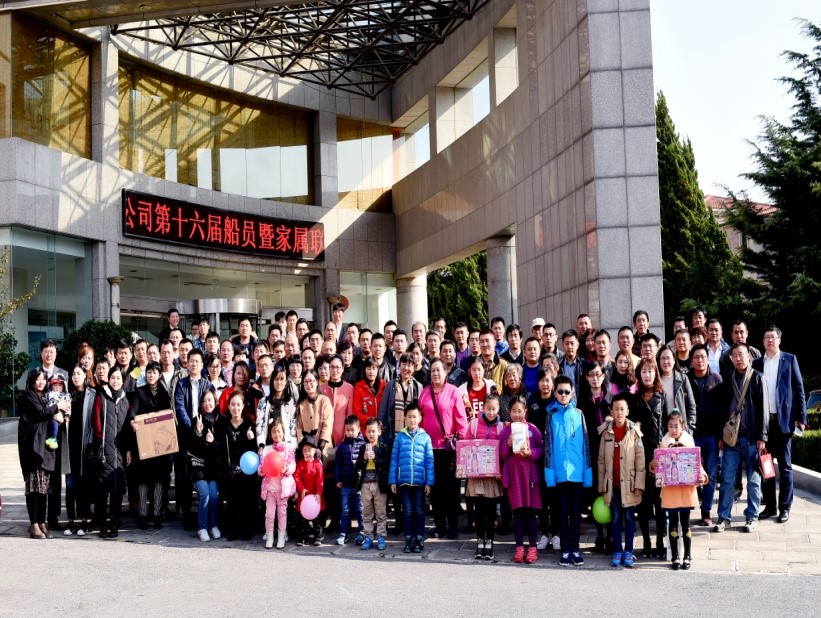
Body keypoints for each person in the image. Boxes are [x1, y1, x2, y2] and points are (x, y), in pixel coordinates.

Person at [714, 343, 770, 533]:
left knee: (754, 480)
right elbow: (722, 410)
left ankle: (752, 517)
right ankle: (724, 517)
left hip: (752, 438)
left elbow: (763, 410)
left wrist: (762, 436)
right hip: (732, 439)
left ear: (749, 356)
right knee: (727, 480)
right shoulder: (728, 380)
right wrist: (721, 435)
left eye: (741, 354)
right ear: (731, 358)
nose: (738, 358)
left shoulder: (758, 378)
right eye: (735, 355)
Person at [753, 325, 806, 523]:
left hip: (783, 422)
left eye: (773, 337)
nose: (769, 340)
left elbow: (799, 390)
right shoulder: (757, 363)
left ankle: (785, 507)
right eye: (766, 337)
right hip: (764, 424)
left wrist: (801, 418)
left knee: (785, 467)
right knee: (766, 466)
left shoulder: (789, 360)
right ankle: (770, 506)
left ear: (779, 340)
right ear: (763, 341)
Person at [544, 375, 593, 566]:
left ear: (572, 393)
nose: (563, 395)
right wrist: (549, 474)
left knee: (575, 514)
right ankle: (565, 550)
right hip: (559, 474)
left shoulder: (579, 414)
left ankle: (575, 549)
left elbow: (585, 445)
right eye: (560, 391)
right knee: (561, 513)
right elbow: (548, 446)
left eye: (567, 391)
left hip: (577, 474)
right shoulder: (551, 416)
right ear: (555, 393)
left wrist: (587, 474)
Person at [649, 410, 707, 570]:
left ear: (682, 426)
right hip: (670, 491)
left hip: (686, 490)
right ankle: (675, 556)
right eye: (670, 426)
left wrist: (703, 476)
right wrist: (653, 465)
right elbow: (658, 465)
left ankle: (687, 555)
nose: (673, 429)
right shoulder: (663, 443)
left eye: (676, 426)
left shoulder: (689, 442)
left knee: (686, 524)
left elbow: (697, 463)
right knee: (673, 524)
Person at [418, 358, 468, 539]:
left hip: (449, 449)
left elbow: (461, 420)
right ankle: (439, 525)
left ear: (445, 372)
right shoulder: (424, 393)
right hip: (429, 449)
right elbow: (420, 421)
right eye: (432, 370)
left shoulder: (453, 391)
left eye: (439, 370)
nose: (436, 373)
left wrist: (461, 444)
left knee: (452, 490)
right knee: (435, 490)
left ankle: (453, 525)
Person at [18, 368, 67, 539]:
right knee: (33, 488)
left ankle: (41, 522)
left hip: (43, 449)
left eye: (43, 379)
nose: (41, 382)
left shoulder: (45, 397)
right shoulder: (29, 396)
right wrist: (57, 407)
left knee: (43, 489)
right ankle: (33, 525)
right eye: (37, 379)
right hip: (32, 450)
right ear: (32, 381)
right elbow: (40, 413)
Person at [597, 394, 645, 568]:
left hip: (629, 485)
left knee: (629, 518)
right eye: (616, 409)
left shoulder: (634, 432)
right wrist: (602, 485)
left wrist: (639, 485)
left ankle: (629, 551)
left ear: (627, 411)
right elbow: (601, 461)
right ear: (611, 411)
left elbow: (640, 460)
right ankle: (617, 550)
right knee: (615, 518)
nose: (619, 412)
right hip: (613, 485)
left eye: (622, 409)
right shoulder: (606, 432)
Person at [499, 397, 545, 564]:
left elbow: (541, 448)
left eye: (520, 411)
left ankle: (532, 547)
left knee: (530, 511)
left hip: (530, 476)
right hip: (515, 476)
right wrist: (508, 444)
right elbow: (501, 454)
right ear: (509, 412)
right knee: (517, 512)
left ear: (525, 411)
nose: (517, 414)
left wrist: (531, 453)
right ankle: (519, 547)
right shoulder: (506, 431)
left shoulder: (532, 429)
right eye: (514, 411)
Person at [632, 357, 670, 558]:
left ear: (656, 374)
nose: (647, 375)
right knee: (643, 502)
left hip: (659, 454)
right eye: (644, 371)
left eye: (650, 371)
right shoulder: (634, 398)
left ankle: (660, 542)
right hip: (640, 455)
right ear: (639, 375)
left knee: (660, 501)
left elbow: (667, 426)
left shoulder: (661, 397)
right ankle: (646, 542)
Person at [129, 361, 172, 530]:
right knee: (142, 480)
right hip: (143, 442)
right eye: (149, 372)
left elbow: (168, 415)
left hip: (160, 443)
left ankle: (157, 515)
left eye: (154, 372)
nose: (151, 375)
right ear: (145, 374)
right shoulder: (139, 391)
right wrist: (133, 421)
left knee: (159, 480)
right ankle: (142, 515)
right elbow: (133, 411)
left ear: (159, 375)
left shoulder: (164, 393)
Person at [576, 361, 612, 553]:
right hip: (591, 454)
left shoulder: (611, 399)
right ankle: (599, 536)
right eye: (592, 375)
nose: (595, 378)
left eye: (598, 374)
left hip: (610, 454)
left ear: (603, 376)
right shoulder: (581, 402)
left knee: (610, 494)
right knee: (595, 495)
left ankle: (611, 536)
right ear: (587, 377)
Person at [389, 403, 434, 554]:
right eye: (409, 417)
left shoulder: (425, 438)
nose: (412, 420)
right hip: (404, 482)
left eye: (415, 417)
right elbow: (394, 459)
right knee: (407, 511)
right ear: (405, 418)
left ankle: (419, 538)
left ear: (420, 418)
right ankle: (409, 539)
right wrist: (393, 480)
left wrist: (429, 482)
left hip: (420, 483)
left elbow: (429, 461)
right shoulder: (399, 437)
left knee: (419, 510)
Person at [92, 366, 131, 539]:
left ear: (123, 381)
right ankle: (102, 523)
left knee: (117, 488)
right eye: (113, 377)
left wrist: (128, 449)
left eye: (118, 378)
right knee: (102, 488)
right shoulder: (101, 396)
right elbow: (96, 419)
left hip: (120, 450)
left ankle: (115, 522)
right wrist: (102, 439)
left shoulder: (125, 401)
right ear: (108, 379)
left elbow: (128, 428)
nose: (115, 381)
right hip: (105, 449)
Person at [688, 344, 723, 526]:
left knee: (710, 474)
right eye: (696, 357)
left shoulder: (716, 379)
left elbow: (723, 408)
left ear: (707, 359)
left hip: (712, 436)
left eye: (703, 356)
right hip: (692, 435)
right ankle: (686, 509)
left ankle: (706, 511)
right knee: (689, 474)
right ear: (691, 360)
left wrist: (721, 435)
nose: (700, 360)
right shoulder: (686, 379)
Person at [466, 393, 504, 560]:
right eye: (488, 408)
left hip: (492, 477)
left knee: (491, 511)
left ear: (498, 409)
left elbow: (503, 451)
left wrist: (500, 470)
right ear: (483, 408)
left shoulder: (501, 427)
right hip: (477, 475)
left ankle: (490, 542)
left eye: (494, 409)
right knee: (479, 511)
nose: (491, 412)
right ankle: (480, 541)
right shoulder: (474, 424)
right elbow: (466, 445)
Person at [216, 391, 257, 541]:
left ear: (243, 406)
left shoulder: (249, 423)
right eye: (233, 404)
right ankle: (233, 529)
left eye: (238, 404)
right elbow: (219, 446)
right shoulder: (223, 423)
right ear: (228, 406)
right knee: (232, 500)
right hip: (230, 469)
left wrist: (251, 439)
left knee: (246, 499)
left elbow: (254, 449)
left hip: (246, 470)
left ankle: (246, 529)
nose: (235, 408)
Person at [189, 389, 222, 541]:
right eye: (204, 401)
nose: (207, 404)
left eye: (210, 400)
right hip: (198, 468)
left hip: (213, 469)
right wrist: (198, 432)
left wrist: (212, 442)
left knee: (214, 496)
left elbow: (222, 447)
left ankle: (213, 525)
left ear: (215, 401)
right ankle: (202, 528)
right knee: (205, 494)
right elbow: (192, 447)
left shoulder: (221, 420)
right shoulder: (196, 420)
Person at [259, 418, 296, 549]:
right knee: (269, 514)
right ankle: (269, 536)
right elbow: (260, 467)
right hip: (269, 489)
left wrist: (286, 469)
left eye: (279, 431)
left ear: (283, 432)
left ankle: (281, 536)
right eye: (274, 432)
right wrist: (262, 471)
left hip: (282, 490)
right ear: (270, 434)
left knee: (282, 514)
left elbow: (293, 466)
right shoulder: (266, 450)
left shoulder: (288, 449)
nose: (277, 434)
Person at [65, 365, 92, 536]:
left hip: (85, 447)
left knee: (84, 485)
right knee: (70, 485)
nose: (75, 377)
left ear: (85, 376)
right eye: (73, 374)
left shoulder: (92, 395)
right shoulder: (67, 396)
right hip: (70, 446)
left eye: (78, 374)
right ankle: (70, 520)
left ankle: (85, 520)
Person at [356, 417, 390, 550]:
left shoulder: (383, 447)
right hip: (366, 484)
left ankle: (381, 536)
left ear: (379, 432)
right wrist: (363, 459)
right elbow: (357, 466)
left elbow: (386, 464)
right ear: (365, 432)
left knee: (381, 512)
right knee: (367, 512)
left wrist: (375, 458)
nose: (371, 434)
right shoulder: (363, 447)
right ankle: (368, 537)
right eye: (368, 431)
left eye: (373, 431)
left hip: (379, 484)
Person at [334, 415, 365, 545]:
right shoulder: (342, 446)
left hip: (359, 485)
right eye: (347, 430)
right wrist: (337, 479)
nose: (350, 432)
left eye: (352, 430)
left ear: (359, 429)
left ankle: (362, 531)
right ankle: (344, 533)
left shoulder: (364, 445)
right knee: (345, 510)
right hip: (345, 484)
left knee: (360, 509)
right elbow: (337, 464)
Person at [657, 346, 697, 434]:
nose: (666, 361)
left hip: (681, 430)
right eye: (663, 358)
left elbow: (691, 406)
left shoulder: (683, 379)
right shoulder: (656, 381)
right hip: (663, 431)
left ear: (674, 360)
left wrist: (689, 429)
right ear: (659, 361)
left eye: (668, 358)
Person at [294, 435, 326, 546]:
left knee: (317, 518)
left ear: (315, 450)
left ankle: (318, 535)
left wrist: (319, 493)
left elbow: (320, 480)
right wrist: (301, 489)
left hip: (315, 496)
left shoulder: (317, 464)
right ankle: (304, 535)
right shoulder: (300, 464)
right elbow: (297, 477)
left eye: (309, 450)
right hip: (304, 497)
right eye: (304, 451)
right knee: (303, 519)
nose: (307, 453)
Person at [296, 371, 334, 457]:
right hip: (307, 450)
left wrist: (320, 447)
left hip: (323, 448)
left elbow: (327, 425)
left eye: (311, 381)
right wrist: (303, 447)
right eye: (306, 382)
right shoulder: (301, 404)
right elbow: (299, 428)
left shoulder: (324, 401)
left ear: (316, 382)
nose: (308, 384)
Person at [352, 357, 386, 428]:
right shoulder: (358, 387)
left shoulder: (384, 385)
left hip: (381, 429)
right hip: (366, 429)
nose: (371, 372)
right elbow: (357, 412)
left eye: (374, 369)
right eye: (368, 369)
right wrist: (371, 421)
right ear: (364, 370)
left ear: (377, 370)